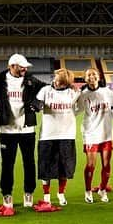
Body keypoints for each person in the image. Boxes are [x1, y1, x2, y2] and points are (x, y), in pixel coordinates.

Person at [0, 53, 47, 208]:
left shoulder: (31, 79)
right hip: (6, 130)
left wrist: (37, 103)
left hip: (27, 129)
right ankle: (7, 194)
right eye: (22, 67)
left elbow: (46, 88)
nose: (24, 69)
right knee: (8, 164)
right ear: (11, 66)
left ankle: (29, 193)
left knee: (29, 163)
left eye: (25, 67)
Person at [35, 69, 80, 206]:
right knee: (46, 168)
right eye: (56, 79)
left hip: (67, 134)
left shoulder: (73, 92)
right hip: (47, 135)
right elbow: (38, 103)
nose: (57, 82)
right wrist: (37, 106)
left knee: (64, 168)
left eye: (61, 81)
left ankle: (61, 194)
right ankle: (46, 195)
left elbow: (80, 105)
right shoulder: (45, 90)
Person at [77, 68, 113, 203]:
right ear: (85, 79)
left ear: (98, 77)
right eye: (88, 75)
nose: (91, 76)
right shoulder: (83, 95)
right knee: (91, 165)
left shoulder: (107, 92)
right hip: (91, 133)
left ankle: (102, 189)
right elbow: (76, 111)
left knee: (106, 164)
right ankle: (88, 191)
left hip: (106, 133)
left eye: (94, 74)